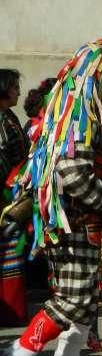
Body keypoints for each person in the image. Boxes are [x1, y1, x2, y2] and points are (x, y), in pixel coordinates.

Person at [0, 38, 102, 356]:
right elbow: (71, 173)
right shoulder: (79, 113)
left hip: (85, 222)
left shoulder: (76, 108)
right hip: (73, 223)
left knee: (86, 301)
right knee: (71, 300)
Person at [0, 69, 30, 327]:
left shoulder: (9, 116)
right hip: (5, 198)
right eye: (14, 87)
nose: (18, 91)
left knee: (13, 253)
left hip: (13, 194)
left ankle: (14, 312)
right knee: (8, 253)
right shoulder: (2, 121)